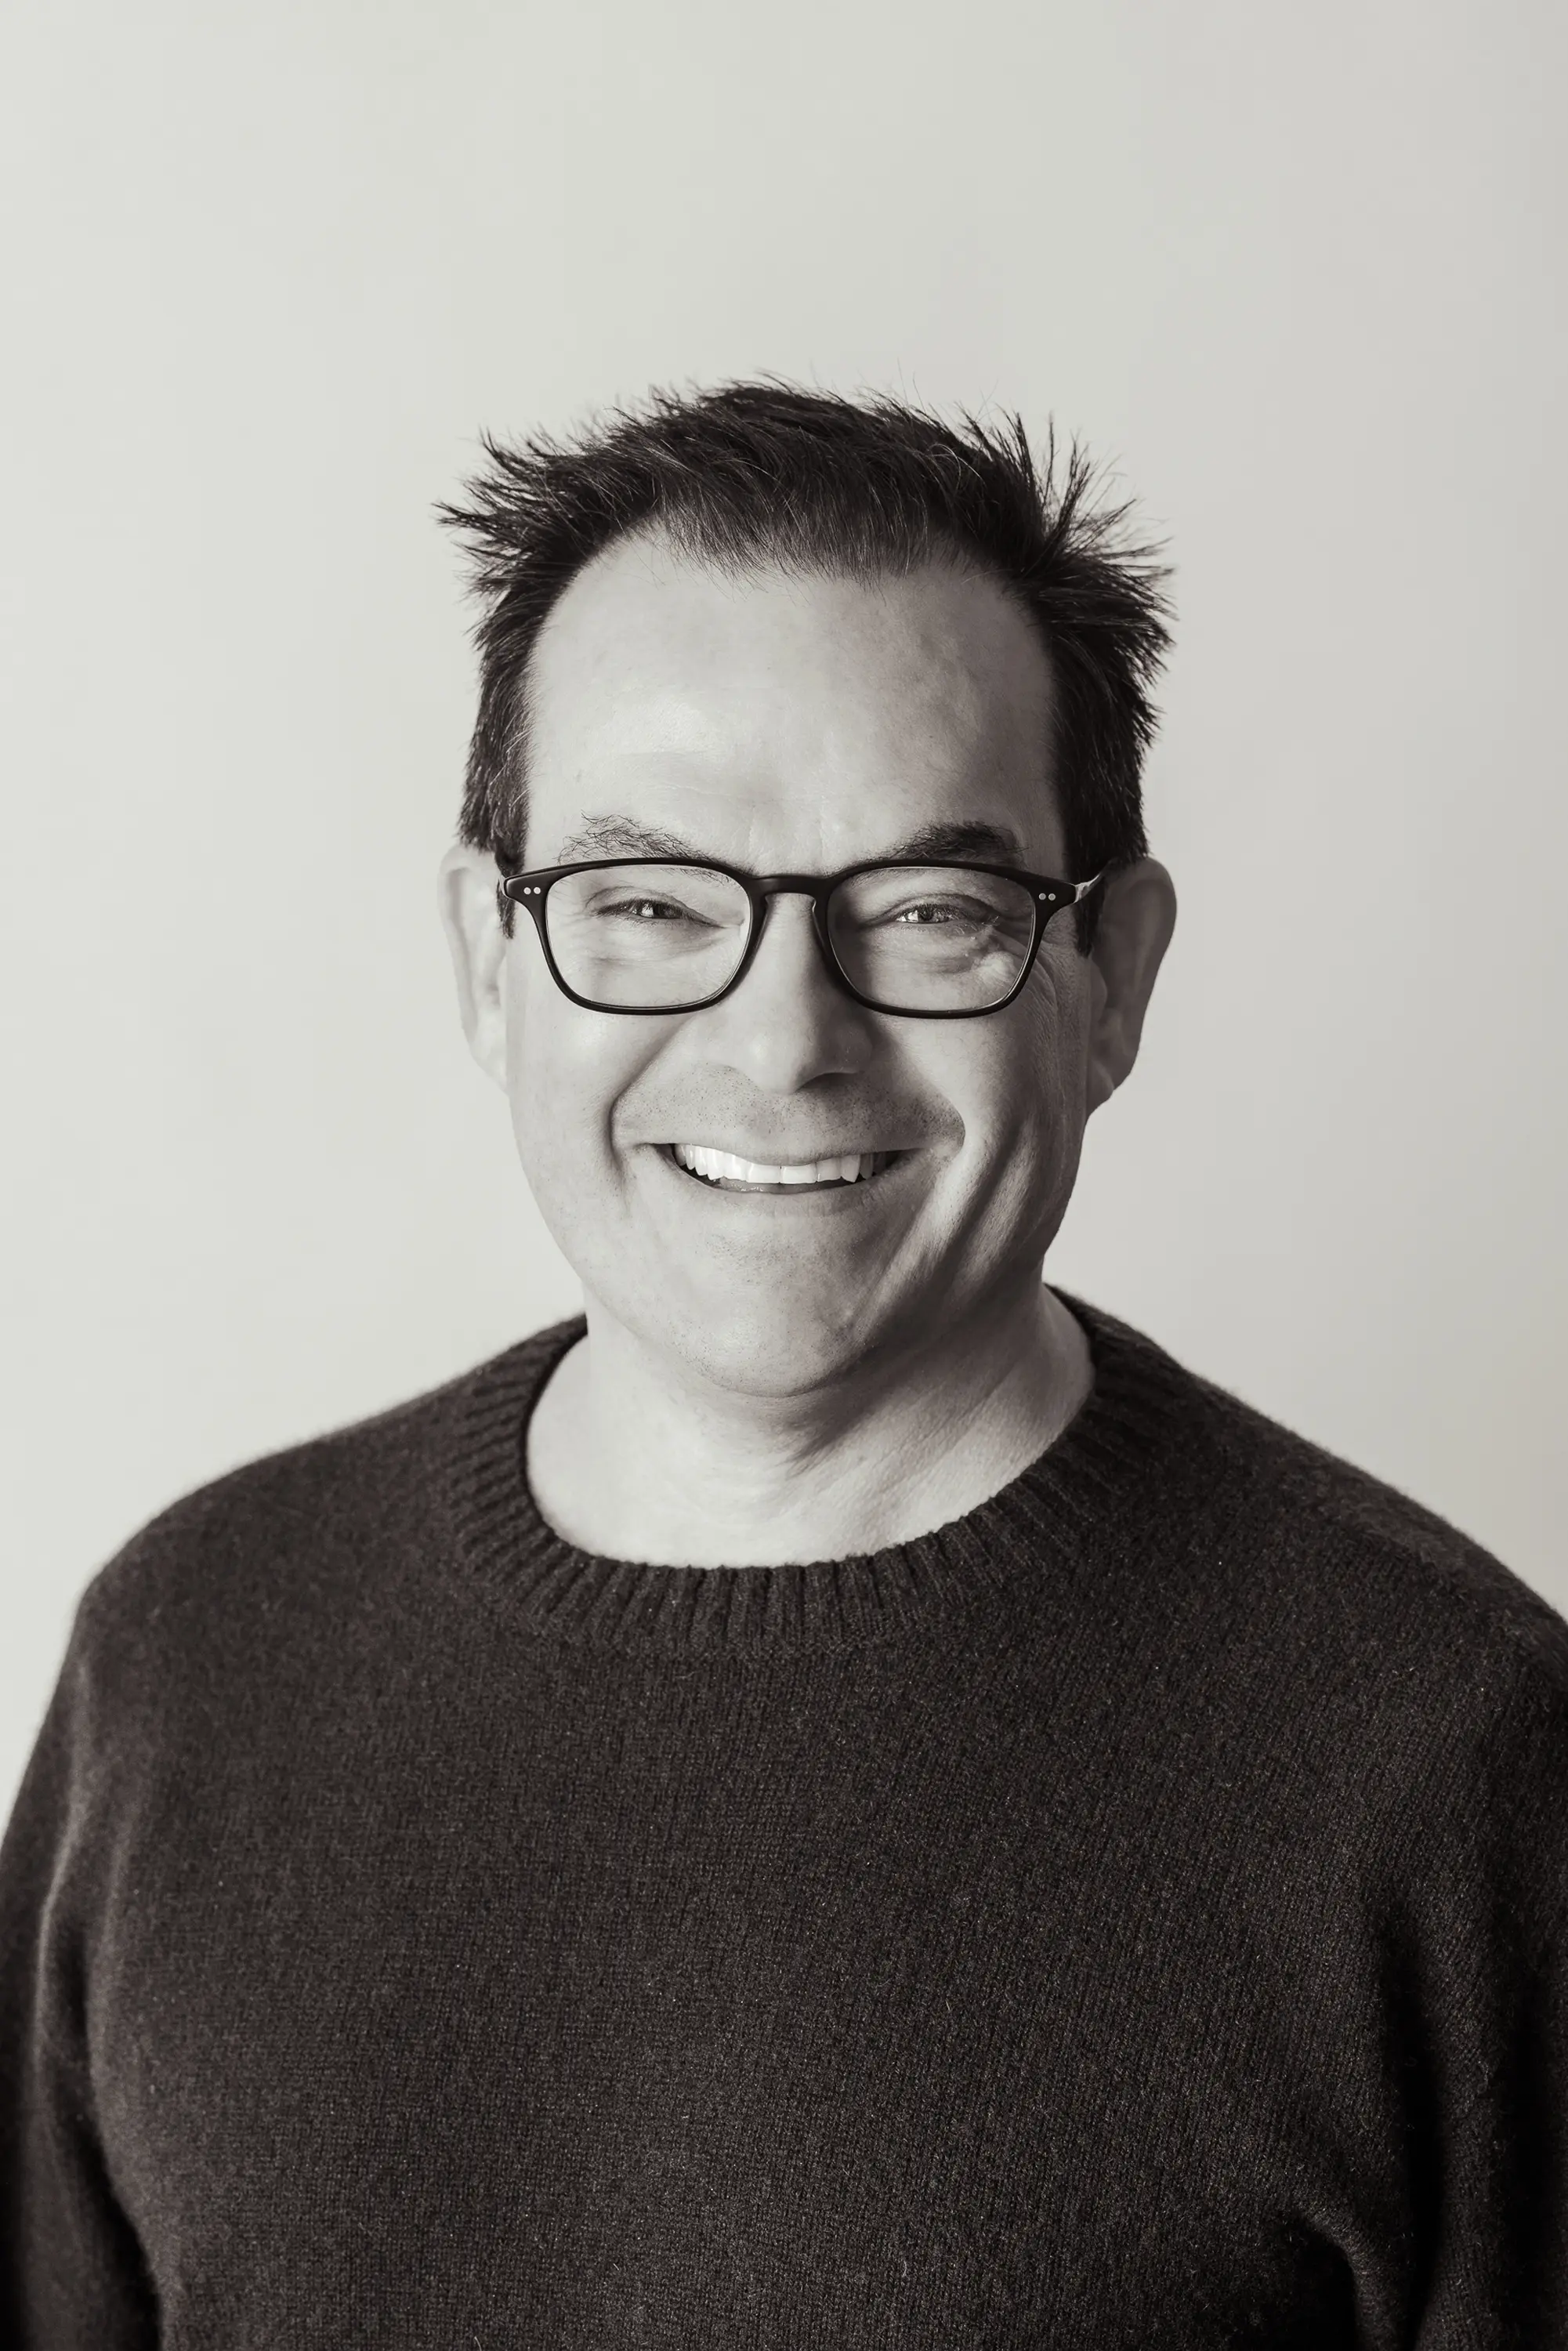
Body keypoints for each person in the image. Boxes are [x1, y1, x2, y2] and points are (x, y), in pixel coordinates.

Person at [1, 384, 1563, 2349]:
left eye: (924, 910)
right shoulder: (187, 1660)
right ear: (492, 964)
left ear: (1112, 981)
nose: (781, 1044)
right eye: (646, 905)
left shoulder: (1447, 1762)